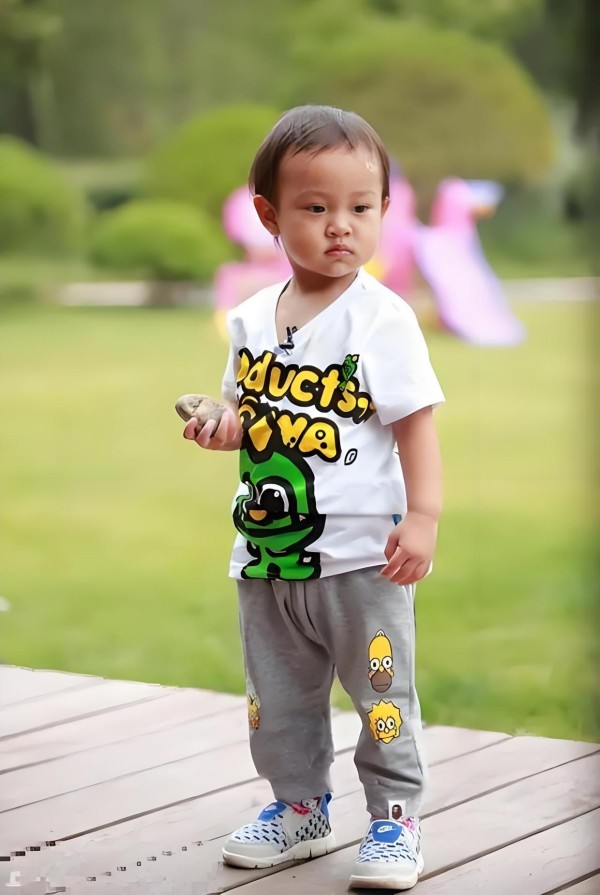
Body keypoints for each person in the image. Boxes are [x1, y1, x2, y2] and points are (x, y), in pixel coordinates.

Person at [183, 105, 444, 891]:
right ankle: (300, 808)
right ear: (269, 215)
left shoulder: (382, 320)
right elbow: (249, 420)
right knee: (279, 700)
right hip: (268, 554)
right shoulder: (249, 320)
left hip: (362, 556)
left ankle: (394, 817)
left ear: (385, 211)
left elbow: (415, 425)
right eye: (317, 206)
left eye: (361, 207)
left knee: (380, 693)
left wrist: (423, 516)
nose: (341, 225)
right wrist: (220, 426)